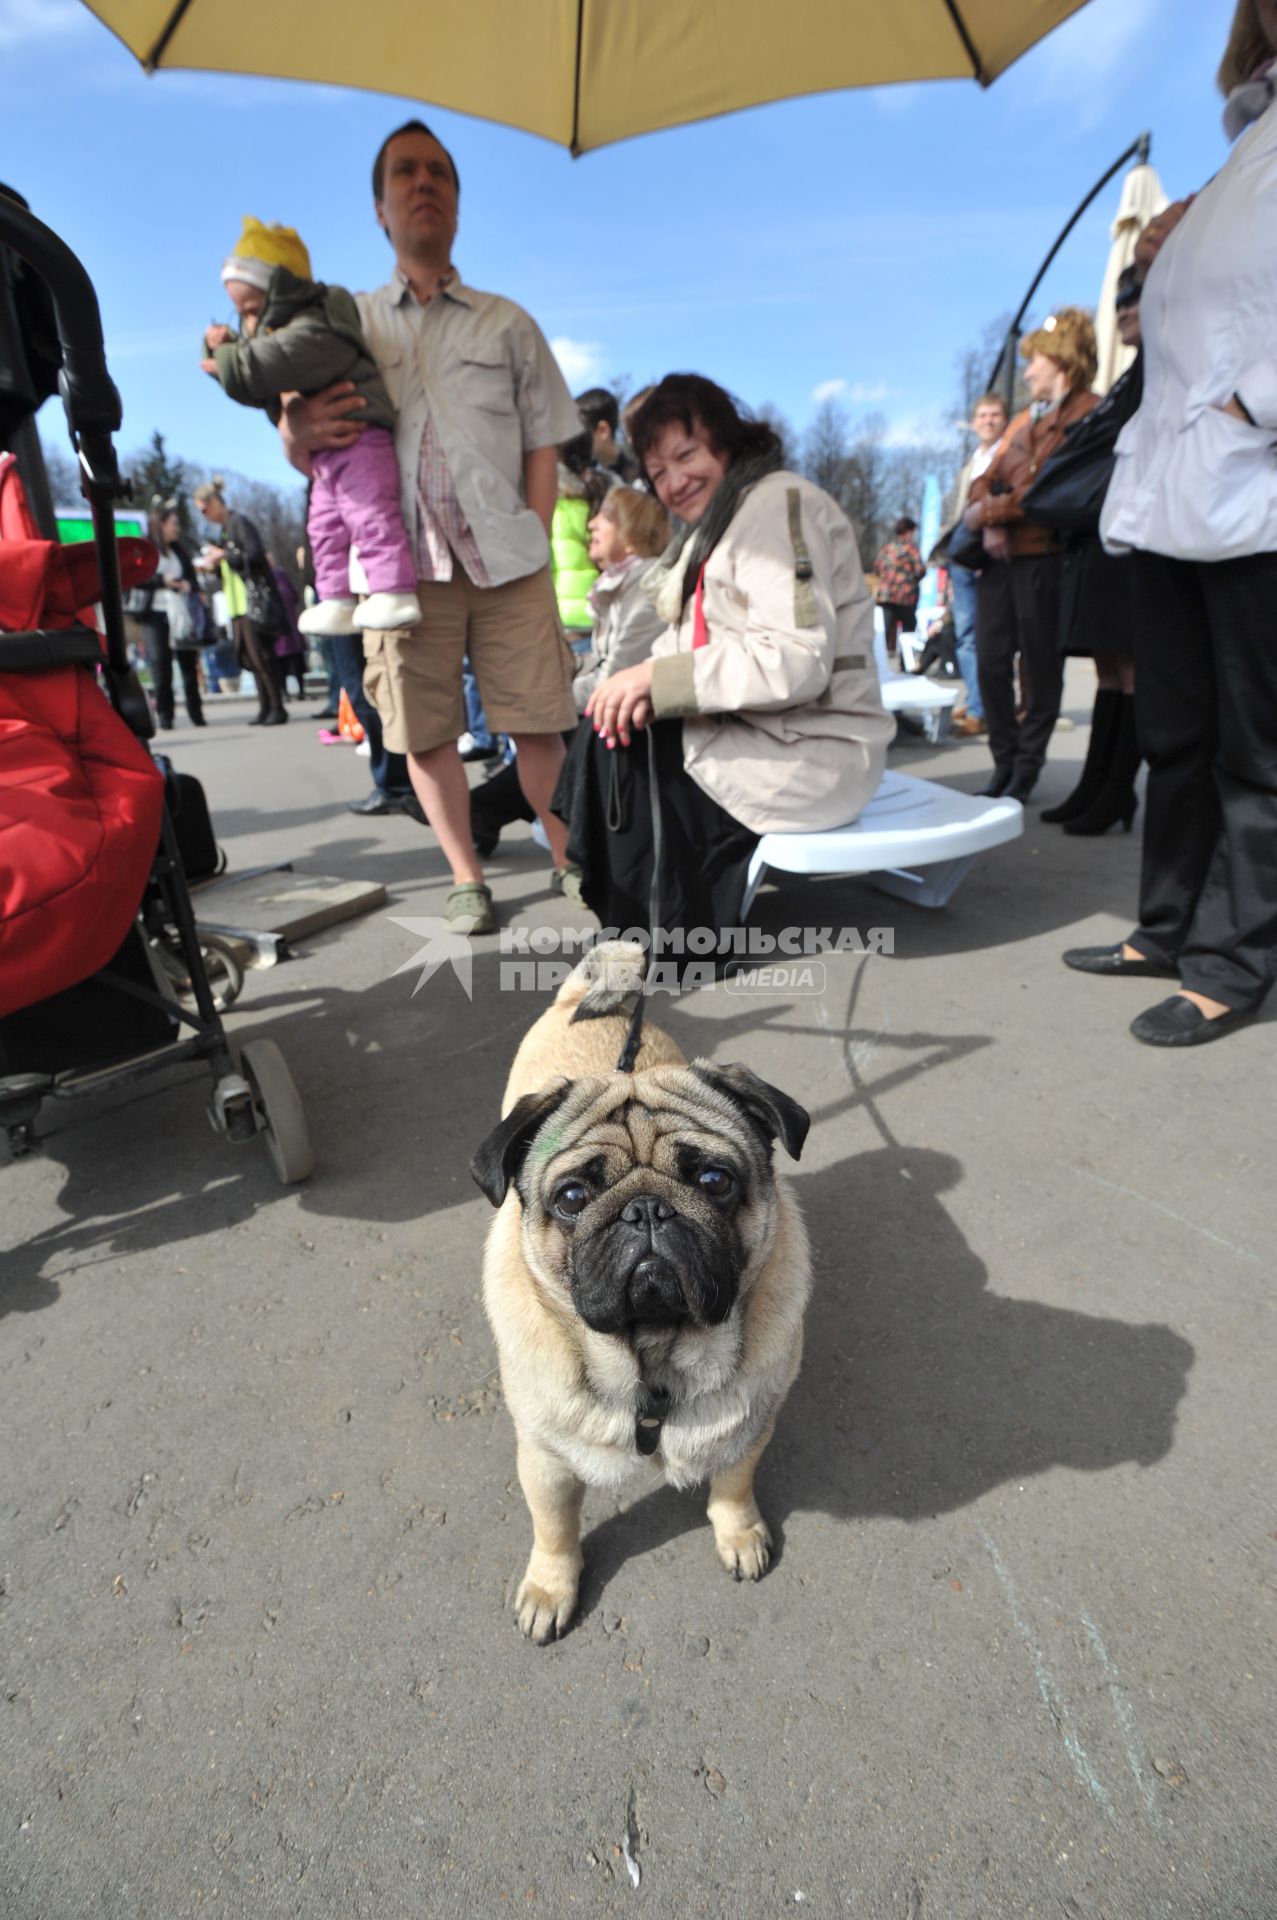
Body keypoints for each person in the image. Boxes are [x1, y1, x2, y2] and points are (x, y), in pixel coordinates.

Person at [279, 120, 581, 933]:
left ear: (456, 199)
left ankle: (567, 862)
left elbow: (543, 441)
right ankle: (464, 875)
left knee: (539, 721)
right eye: (406, 173)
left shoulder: (507, 323)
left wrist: (536, 531)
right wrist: (295, 428)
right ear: (380, 208)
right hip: (398, 580)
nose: (424, 184)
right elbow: (299, 439)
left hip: (507, 563)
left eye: (440, 173)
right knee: (423, 730)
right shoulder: (346, 323)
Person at [1064, 0, 1277, 1047]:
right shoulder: (1248, 141)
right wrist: (1165, 245)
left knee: (1254, 747)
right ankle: (1167, 925)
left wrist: (1255, 405)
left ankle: (1233, 960)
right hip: (1181, 488)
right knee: (1176, 733)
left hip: (1252, 487)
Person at [556, 374, 894, 941]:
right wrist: (619, 687)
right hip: (769, 734)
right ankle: (641, 920)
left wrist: (654, 681)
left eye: (686, 455)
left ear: (727, 442)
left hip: (815, 748)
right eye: (658, 471)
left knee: (624, 750)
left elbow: (797, 657)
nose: (674, 481)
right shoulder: (723, 521)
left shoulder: (775, 505)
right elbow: (685, 646)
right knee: (610, 728)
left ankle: (673, 934)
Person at [202, 219, 419, 638]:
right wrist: (223, 350)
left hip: (361, 441)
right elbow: (254, 379)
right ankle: (335, 597)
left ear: (280, 294)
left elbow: (261, 367)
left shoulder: (318, 327)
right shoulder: (284, 335)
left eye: (251, 311)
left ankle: (393, 588)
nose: (247, 324)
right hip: (326, 454)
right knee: (324, 524)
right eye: (240, 313)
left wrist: (227, 356)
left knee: (369, 513)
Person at [470, 483, 670, 858]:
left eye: (606, 517)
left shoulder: (644, 587)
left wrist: (551, 694)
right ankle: (484, 810)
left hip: (646, 719)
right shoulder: (620, 584)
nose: (592, 524)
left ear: (633, 533)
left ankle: (484, 809)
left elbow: (617, 678)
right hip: (628, 708)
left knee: (555, 724)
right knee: (548, 724)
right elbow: (602, 663)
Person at [965, 308, 1099, 801]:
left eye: (1035, 360)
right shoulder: (1024, 419)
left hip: (1046, 556)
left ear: (1061, 357)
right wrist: (987, 510)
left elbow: (1054, 491)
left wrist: (992, 514)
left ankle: (1025, 768)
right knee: (988, 660)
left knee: (1040, 668)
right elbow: (984, 477)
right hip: (1001, 561)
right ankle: (1005, 759)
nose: (1027, 371)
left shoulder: (1088, 412)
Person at [1040, 270, 1143, 835]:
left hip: (1126, 533)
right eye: (1121, 298)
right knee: (1108, 666)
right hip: (1100, 534)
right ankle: (1097, 784)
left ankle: (1116, 788)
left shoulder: (1151, 375)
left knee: (1127, 666)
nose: (1124, 308)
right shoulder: (1134, 377)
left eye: (1136, 296)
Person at [936, 392, 1008, 736]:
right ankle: (977, 701)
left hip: (990, 557)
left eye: (995, 414)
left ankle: (985, 709)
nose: (988, 420)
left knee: (989, 637)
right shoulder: (971, 464)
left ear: (1004, 419)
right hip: (962, 559)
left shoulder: (1008, 456)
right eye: (982, 415)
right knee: (965, 637)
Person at [192, 480, 287, 726]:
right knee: (253, 659)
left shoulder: (239, 524)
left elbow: (255, 555)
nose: (205, 516)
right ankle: (266, 706)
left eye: (204, 509)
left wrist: (224, 555)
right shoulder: (225, 530)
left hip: (250, 602)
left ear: (215, 503)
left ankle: (277, 706)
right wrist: (214, 565)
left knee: (263, 657)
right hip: (237, 604)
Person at [132, 500, 206, 729]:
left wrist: (187, 585)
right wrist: (161, 581)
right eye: (173, 523)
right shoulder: (145, 548)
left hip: (181, 614)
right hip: (155, 613)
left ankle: (196, 713)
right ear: (161, 524)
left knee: (188, 664)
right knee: (160, 665)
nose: (177, 527)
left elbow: (193, 580)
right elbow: (135, 577)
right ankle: (165, 715)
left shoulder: (180, 551)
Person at [873, 517, 926, 663]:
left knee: (883, 629)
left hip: (885, 596)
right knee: (908, 628)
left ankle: (878, 662)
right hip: (905, 596)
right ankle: (906, 662)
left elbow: (877, 568)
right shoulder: (911, 548)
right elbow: (920, 570)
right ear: (908, 531)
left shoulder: (887, 547)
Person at [576, 385, 640, 484]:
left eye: (581, 435)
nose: (575, 442)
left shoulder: (636, 479)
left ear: (603, 431)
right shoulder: (585, 477)